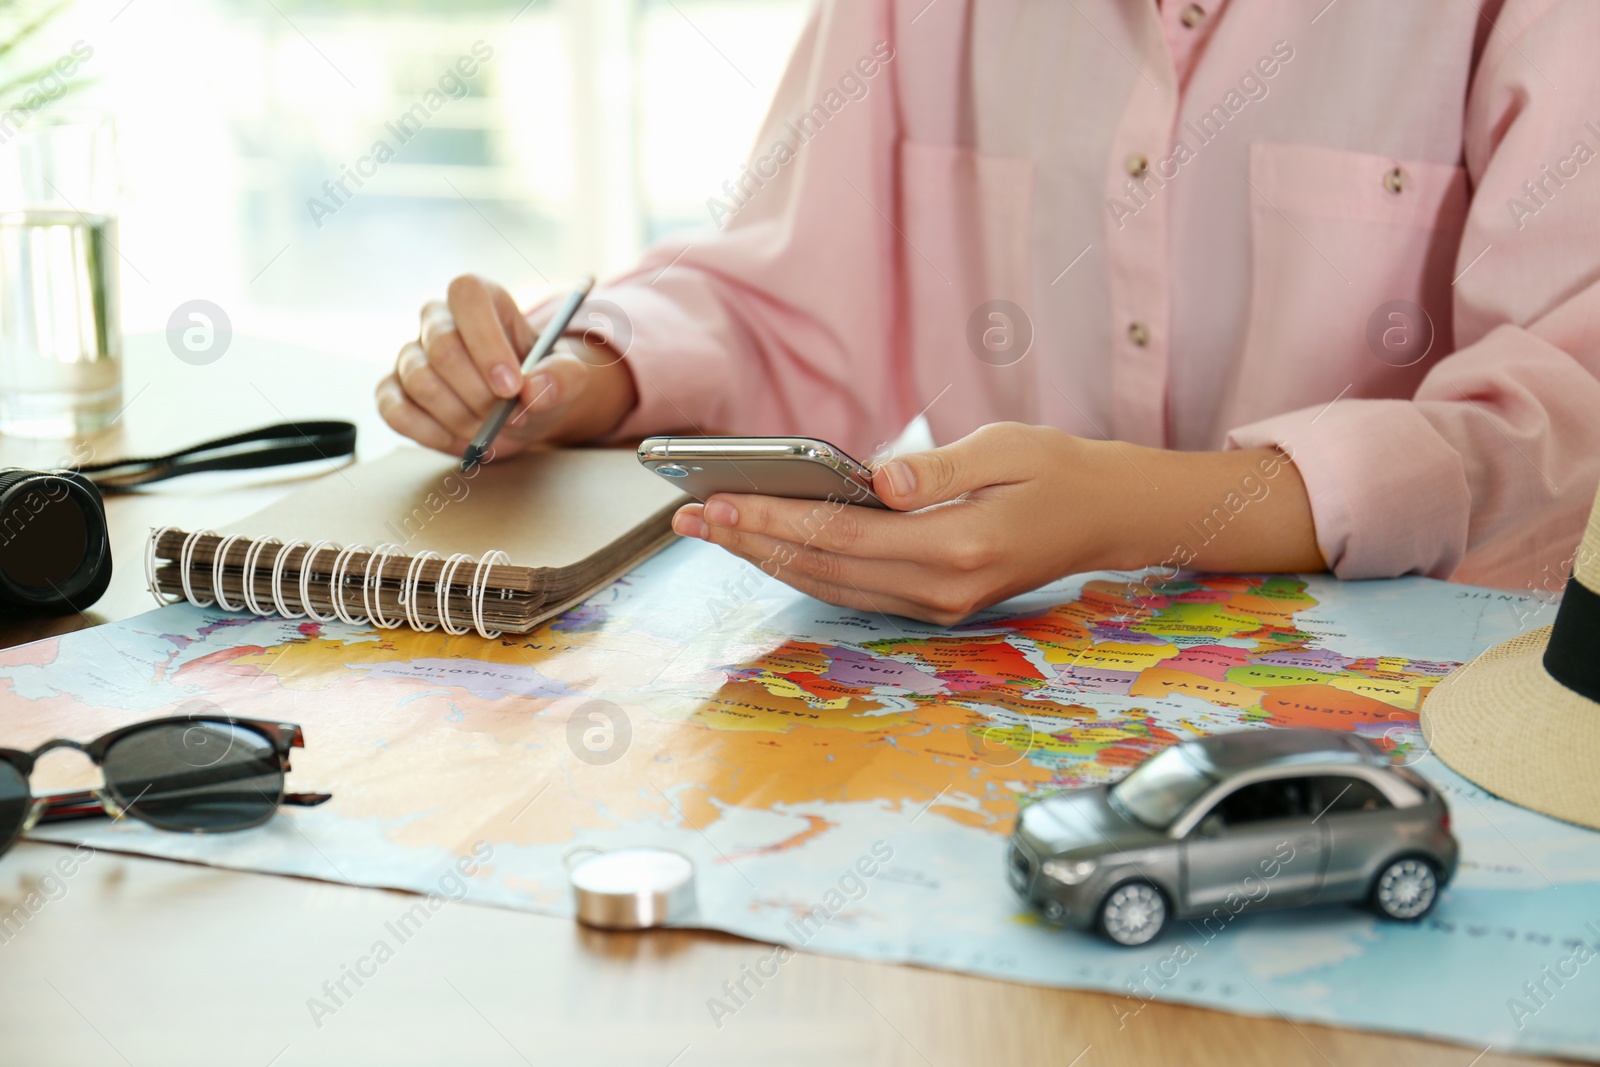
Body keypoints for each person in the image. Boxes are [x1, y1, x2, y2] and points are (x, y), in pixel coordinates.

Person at [378, 0, 1600, 624]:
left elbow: (1563, 429)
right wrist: (574, 370)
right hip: (1011, 702)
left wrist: (1137, 510)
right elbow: (793, 290)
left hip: (1419, 723)